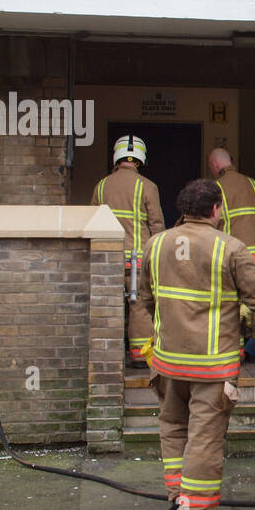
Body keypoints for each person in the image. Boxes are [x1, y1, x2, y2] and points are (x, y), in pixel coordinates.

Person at [139, 179, 255, 510]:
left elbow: (146, 300)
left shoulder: (155, 245)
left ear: (183, 209)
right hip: (212, 367)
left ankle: (176, 500)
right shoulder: (231, 248)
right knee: (204, 437)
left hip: (167, 363)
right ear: (216, 210)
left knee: (172, 429)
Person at [91, 134, 165, 367]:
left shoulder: (101, 186)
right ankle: (139, 356)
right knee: (140, 306)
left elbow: (92, 221)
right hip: (138, 261)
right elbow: (157, 226)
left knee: (109, 304)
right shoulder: (148, 186)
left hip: (108, 258)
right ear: (140, 159)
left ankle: (107, 355)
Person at [207, 147, 255, 359]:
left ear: (216, 165)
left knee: (230, 303)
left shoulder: (216, 188)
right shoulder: (253, 184)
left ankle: (235, 352)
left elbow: (210, 223)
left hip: (229, 257)